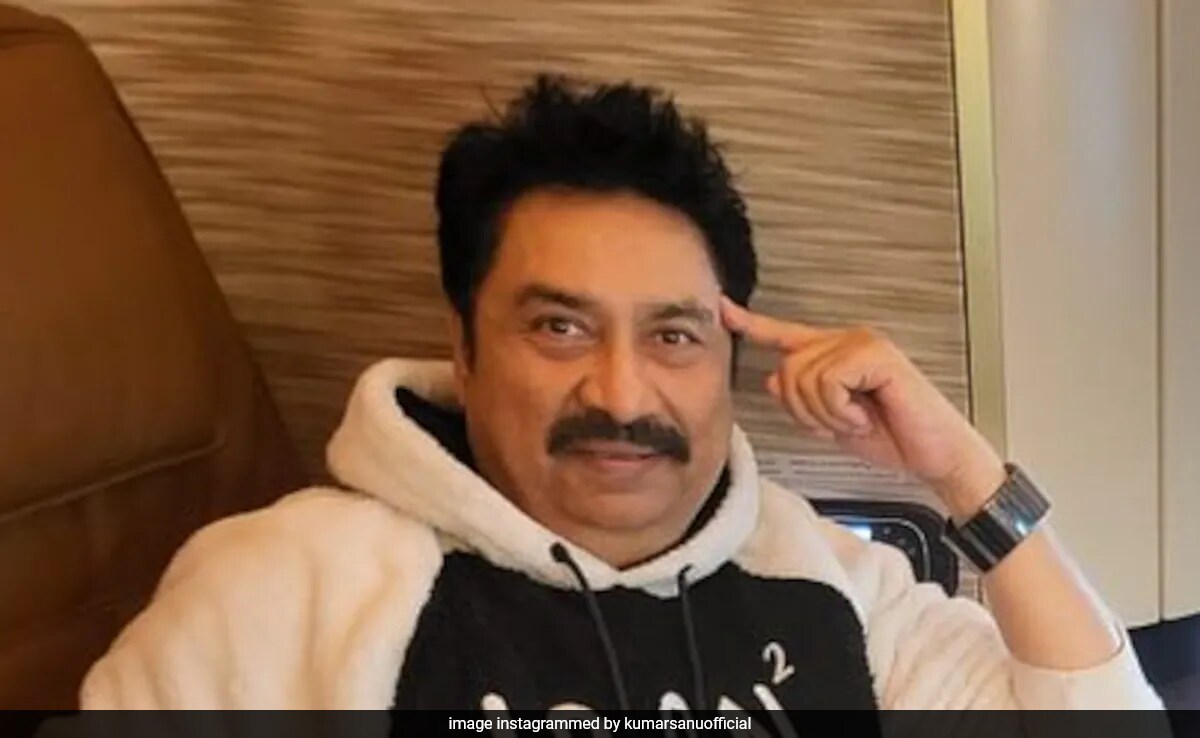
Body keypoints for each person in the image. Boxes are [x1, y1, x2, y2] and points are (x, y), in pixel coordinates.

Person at [80, 75, 1161, 713]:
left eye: (674, 335)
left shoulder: (830, 583)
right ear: (464, 347)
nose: (621, 390)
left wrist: (962, 474)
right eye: (560, 327)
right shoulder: (286, 586)